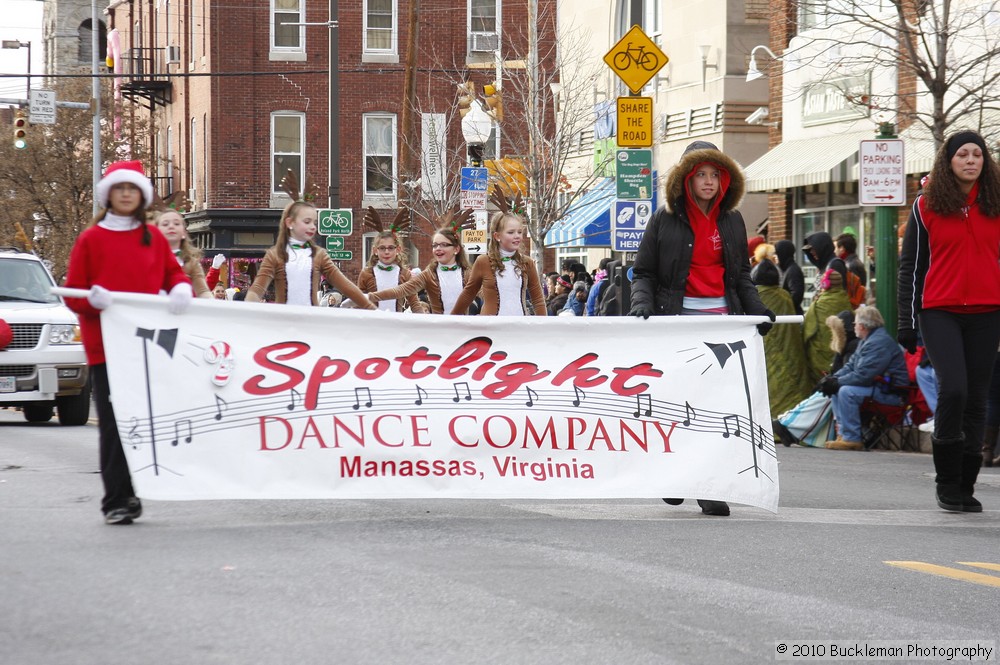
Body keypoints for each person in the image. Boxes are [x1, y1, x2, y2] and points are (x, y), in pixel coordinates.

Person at [628, 140, 775, 517]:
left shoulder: (732, 220)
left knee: (716, 405)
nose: (709, 182)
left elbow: (741, 274)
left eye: (715, 175)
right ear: (686, 179)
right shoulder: (664, 218)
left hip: (722, 323)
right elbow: (643, 272)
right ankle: (675, 474)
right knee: (679, 403)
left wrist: (757, 310)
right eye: (701, 175)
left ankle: (709, 483)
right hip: (677, 322)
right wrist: (642, 304)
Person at [63, 160, 193, 525]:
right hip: (106, 348)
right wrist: (93, 300)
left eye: (131, 189)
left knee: (144, 420)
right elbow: (72, 293)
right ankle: (116, 498)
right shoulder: (92, 238)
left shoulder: (150, 238)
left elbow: (172, 272)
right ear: (109, 195)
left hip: (147, 347)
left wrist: (181, 287)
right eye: (119, 188)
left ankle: (134, 489)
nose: (125, 194)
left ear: (141, 196)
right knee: (113, 423)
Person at [898, 130, 1000, 512]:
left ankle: (965, 482)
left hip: (989, 310)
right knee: (954, 389)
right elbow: (912, 266)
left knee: (977, 398)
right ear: (949, 161)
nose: (971, 160)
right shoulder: (926, 207)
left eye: (977, 154)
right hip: (939, 310)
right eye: (963, 155)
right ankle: (946, 481)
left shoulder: (996, 204)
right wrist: (906, 322)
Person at [245, 199, 376, 309]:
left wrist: (372, 310)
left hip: (311, 321)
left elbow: (346, 286)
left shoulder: (319, 255)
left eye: (314, 222)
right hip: (283, 322)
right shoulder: (275, 255)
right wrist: (244, 314)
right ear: (290, 223)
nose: (313, 226)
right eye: (307, 222)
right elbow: (257, 289)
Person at [819, 305, 908, 450]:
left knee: (846, 391)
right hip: (879, 389)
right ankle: (843, 434)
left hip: (892, 394)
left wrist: (837, 382)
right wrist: (832, 379)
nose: (854, 326)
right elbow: (850, 366)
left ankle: (852, 437)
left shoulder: (878, 342)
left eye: (855, 323)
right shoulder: (867, 340)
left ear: (862, 326)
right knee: (836, 389)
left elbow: (863, 375)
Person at [773, 310, 860, 447]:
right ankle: (790, 427)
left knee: (826, 395)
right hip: (847, 383)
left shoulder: (853, 345)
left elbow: (852, 372)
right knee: (824, 393)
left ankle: (790, 426)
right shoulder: (847, 345)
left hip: (851, 385)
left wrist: (833, 380)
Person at [451, 211, 546, 316]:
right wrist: (452, 320)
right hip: (490, 327)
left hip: (519, 326)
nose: (517, 236)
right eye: (511, 232)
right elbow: (468, 294)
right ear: (497, 236)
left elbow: (538, 300)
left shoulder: (527, 262)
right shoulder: (483, 261)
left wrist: (544, 326)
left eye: (519, 232)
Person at [367, 223, 474, 314]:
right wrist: (369, 297)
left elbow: (486, 293)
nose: (438, 249)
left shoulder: (468, 273)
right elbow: (401, 290)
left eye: (444, 245)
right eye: (435, 245)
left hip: (462, 331)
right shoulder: (428, 274)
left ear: (456, 249)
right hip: (439, 330)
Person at [752, 260, 811, 416]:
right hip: (792, 352)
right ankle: (794, 421)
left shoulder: (754, 298)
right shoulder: (785, 296)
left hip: (766, 354)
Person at [357, 208, 425, 313]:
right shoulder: (366, 273)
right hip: (372, 324)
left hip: (395, 325)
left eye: (390, 248)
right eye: (382, 248)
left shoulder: (405, 274)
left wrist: (425, 323)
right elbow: (359, 302)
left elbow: (414, 303)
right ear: (375, 250)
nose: (387, 252)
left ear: (398, 249)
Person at [802, 269, 853, 386]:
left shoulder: (819, 304)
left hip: (820, 357)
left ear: (825, 284)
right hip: (841, 354)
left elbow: (808, 330)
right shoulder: (845, 300)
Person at [153, 208, 212, 298]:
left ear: (184, 232)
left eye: (176, 223)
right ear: (156, 230)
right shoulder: (148, 258)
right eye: (165, 224)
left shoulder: (191, 263)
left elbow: (202, 292)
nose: (171, 226)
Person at [774, 239, 805, 315]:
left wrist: (782, 305)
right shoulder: (786, 269)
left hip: (791, 314)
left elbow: (796, 296)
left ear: (782, 254)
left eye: (777, 253)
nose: (775, 256)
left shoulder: (793, 271)